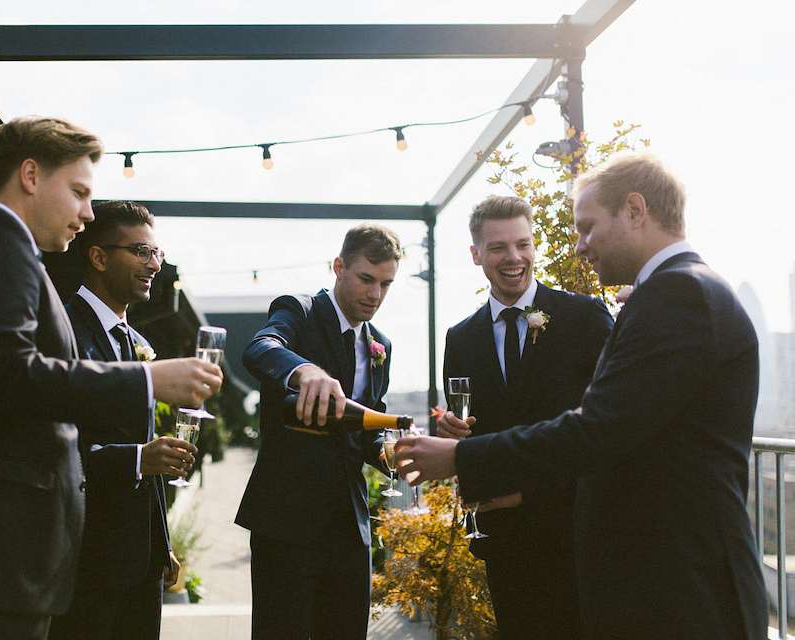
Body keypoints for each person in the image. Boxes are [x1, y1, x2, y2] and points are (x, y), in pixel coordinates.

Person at [0, 116, 223, 640]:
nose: (87, 213)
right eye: (78, 192)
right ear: (30, 174)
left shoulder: (5, 249)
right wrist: (146, 381)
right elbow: (8, 377)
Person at [396, 152, 768, 640]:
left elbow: (595, 430)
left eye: (588, 228)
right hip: (653, 580)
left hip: (682, 586)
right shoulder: (667, 295)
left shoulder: (678, 295)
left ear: (635, 211)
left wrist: (462, 457)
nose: (579, 247)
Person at [439, 195, 613, 639]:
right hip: (504, 540)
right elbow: (471, 433)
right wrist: (455, 436)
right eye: (497, 247)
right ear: (476, 255)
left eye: (523, 243)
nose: (513, 258)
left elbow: (610, 431)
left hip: (577, 533)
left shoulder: (585, 317)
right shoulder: (460, 339)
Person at [235, 223, 402, 640]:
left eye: (385, 284)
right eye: (366, 279)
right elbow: (260, 348)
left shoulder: (381, 344)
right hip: (286, 524)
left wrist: (392, 453)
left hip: (351, 530)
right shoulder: (300, 310)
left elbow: (368, 430)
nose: (374, 295)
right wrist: (304, 370)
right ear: (339, 266)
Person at [46, 201, 193, 640]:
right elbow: (58, 450)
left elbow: (142, 444)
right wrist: (138, 458)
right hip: (83, 558)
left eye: (158, 255)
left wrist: (161, 543)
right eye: (141, 253)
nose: (154, 265)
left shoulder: (137, 342)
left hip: (140, 561)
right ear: (98, 256)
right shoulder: (63, 332)